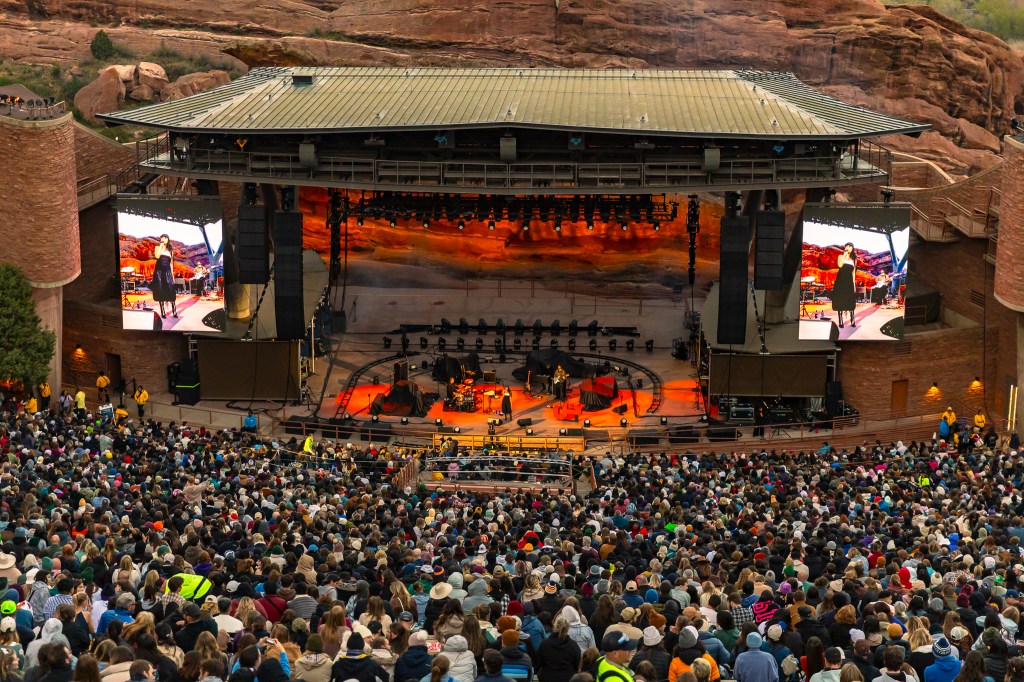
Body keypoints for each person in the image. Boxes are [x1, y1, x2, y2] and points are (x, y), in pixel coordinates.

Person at [535, 617, 582, 682]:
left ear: (554, 625)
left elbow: (538, 663)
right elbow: (578, 664)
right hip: (568, 678)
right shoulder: (573, 645)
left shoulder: (545, 643)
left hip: (547, 678)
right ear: (567, 629)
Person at [150, 234, 178, 319]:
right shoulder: (157, 248)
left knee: (171, 291)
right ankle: (163, 312)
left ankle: (174, 311)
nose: (163, 239)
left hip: (168, 272)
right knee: (160, 290)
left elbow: (171, 263)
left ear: (168, 240)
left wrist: (172, 275)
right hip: (159, 272)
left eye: (165, 238)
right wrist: (161, 246)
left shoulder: (171, 250)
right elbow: (157, 256)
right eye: (162, 238)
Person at [830, 242, 857, 329]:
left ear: (852, 248)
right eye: (846, 246)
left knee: (850, 299)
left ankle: (852, 320)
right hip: (840, 281)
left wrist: (854, 285)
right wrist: (844, 255)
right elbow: (840, 265)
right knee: (840, 299)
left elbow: (853, 273)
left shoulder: (854, 259)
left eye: (850, 246)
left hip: (849, 281)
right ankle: (841, 321)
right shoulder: (841, 256)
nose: (848, 247)